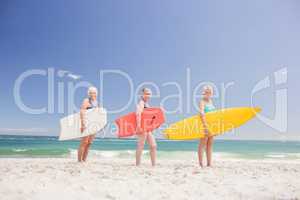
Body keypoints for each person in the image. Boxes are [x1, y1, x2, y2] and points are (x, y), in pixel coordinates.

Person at [135, 88, 157, 166]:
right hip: (142, 127)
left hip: (148, 128)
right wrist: (138, 126)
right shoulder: (141, 103)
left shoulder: (147, 104)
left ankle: (153, 165)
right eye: (146, 93)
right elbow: (138, 114)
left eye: (149, 94)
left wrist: (153, 126)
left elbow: (149, 117)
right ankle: (138, 164)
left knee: (153, 145)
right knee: (140, 145)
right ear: (142, 94)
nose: (148, 95)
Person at [77, 86, 99, 162]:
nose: (93, 94)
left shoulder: (96, 102)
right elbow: (82, 112)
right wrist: (83, 124)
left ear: (96, 94)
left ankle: (84, 160)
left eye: (94, 92)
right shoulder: (86, 100)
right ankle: (79, 161)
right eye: (91, 92)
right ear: (88, 94)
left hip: (94, 125)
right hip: (87, 124)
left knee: (89, 143)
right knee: (84, 142)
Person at [198, 85, 216, 167]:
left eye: (210, 92)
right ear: (204, 93)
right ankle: (201, 164)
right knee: (203, 144)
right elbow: (201, 114)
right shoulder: (202, 101)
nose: (209, 93)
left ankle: (209, 163)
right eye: (207, 92)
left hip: (212, 126)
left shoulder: (211, 102)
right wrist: (205, 126)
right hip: (204, 124)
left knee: (210, 144)